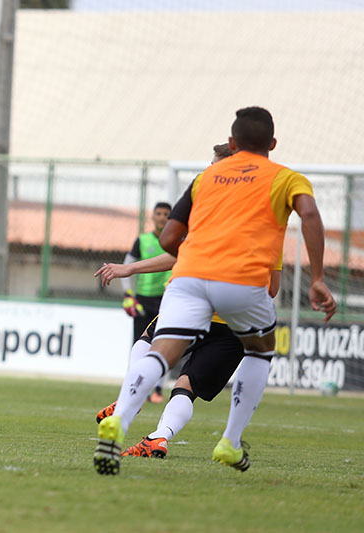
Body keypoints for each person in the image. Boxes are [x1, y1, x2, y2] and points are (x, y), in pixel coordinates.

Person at [94, 107, 336, 476]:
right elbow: (311, 219)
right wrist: (317, 278)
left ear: (232, 142)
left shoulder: (205, 180)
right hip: (239, 285)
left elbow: (170, 238)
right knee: (261, 350)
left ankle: (123, 416)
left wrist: (194, 255)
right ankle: (230, 441)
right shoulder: (287, 179)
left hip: (188, 279)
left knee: (160, 352)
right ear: (272, 143)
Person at [94, 144, 283, 458]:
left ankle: (131, 401)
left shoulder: (207, 208)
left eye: (215, 166)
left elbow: (174, 249)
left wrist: (131, 268)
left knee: (151, 345)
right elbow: (272, 289)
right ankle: (162, 437)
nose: (209, 171)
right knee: (186, 385)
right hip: (237, 321)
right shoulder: (270, 220)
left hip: (193, 304)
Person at [119, 201, 172, 403]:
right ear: (152, 217)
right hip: (142, 301)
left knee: (164, 345)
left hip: (166, 300)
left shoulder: (175, 240)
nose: (161, 217)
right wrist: (128, 295)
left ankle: (157, 389)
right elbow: (127, 265)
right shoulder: (142, 240)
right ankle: (132, 387)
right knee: (139, 344)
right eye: (158, 213)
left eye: (166, 214)